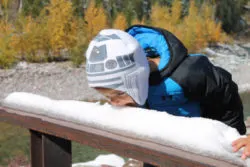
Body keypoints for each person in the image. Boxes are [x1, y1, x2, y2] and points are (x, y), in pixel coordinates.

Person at [85, 25, 246, 166]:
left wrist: (233, 138)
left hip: (201, 143)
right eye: (108, 98)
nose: (116, 103)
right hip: (162, 143)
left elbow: (226, 94)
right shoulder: (133, 89)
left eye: (119, 94)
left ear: (136, 77)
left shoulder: (188, 74)